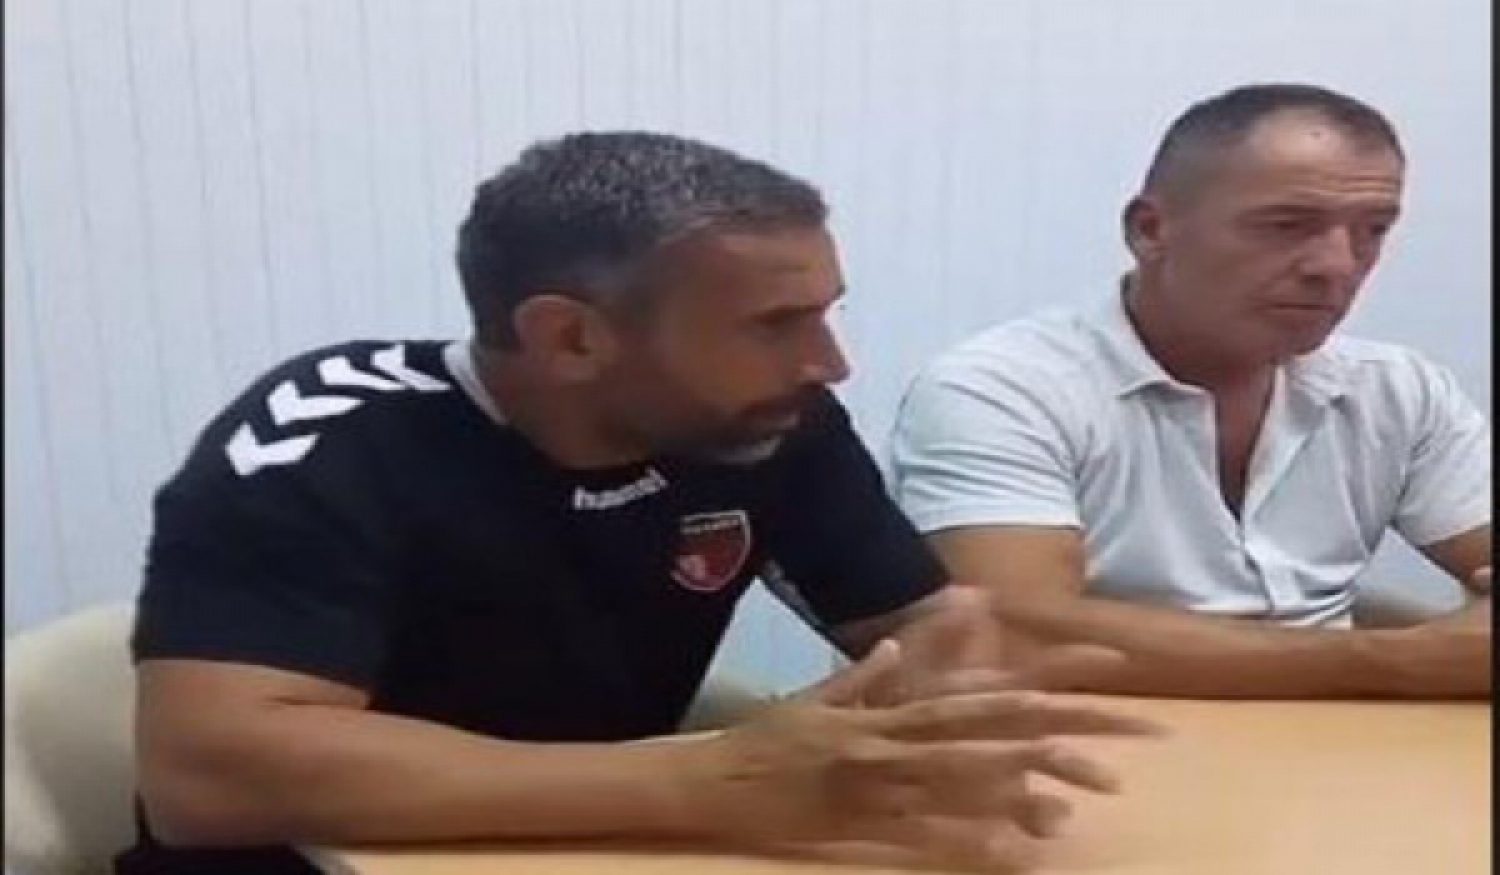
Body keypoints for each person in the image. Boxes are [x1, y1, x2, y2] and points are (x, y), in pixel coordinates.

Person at [120, 131, 1158, 875]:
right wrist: (706, 781)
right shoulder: (322, 438)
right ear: (570, 337)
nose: (829, 362)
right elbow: (210, 775)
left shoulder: (768, 421)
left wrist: (939, 694)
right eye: (774, 323)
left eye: (826, 313)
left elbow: (924, 623)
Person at [890, 83, 1492, 700]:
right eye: (1287, 226)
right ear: (1150, 230)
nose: (1337, 265)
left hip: (1345, 737)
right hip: (1100, 738)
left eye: (1373, 230)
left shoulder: (1397, 389)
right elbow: (1009, 635)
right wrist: (1398, 661)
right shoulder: (1002, 389)